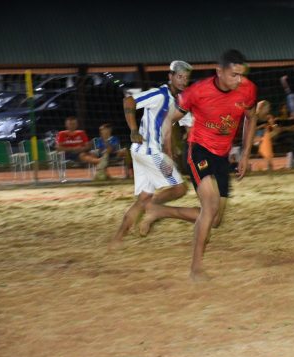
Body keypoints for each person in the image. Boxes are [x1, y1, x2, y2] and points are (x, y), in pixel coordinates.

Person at [139, 49, 258, 281]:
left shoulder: (248, 89)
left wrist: (245, 154)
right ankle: (195, 269)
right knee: (210, 206)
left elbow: (251, 117)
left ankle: (159, 211)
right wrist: (168, 150)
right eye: (233, 75)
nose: (238, 80)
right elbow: (170, 119)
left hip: (222, 156)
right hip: (199, 150)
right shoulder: (197, 92)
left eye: (241, 75)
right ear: (219, 71)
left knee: (215, 220)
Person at [109, 60, 193, 248]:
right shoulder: (160, 94)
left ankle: (116, 241)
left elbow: (178, 129)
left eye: (186, 78)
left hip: (141, 152)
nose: (183, 81)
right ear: (170, 77)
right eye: (179, 76)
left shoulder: (180, 102)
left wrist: (171, 153)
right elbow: (128, 100)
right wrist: (133, 129)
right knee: (180, 189)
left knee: (144, 197)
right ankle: (154, 210)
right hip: (148, 150)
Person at [273, 104, 294, 168]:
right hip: (281, 137)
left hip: (291, 136)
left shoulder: (291, 119)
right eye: (284, 108)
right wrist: (289, 128)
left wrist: (284, 128)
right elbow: (277, 130)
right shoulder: (277, 119)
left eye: (286, 108)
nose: (285, 110)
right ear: (280, 110)